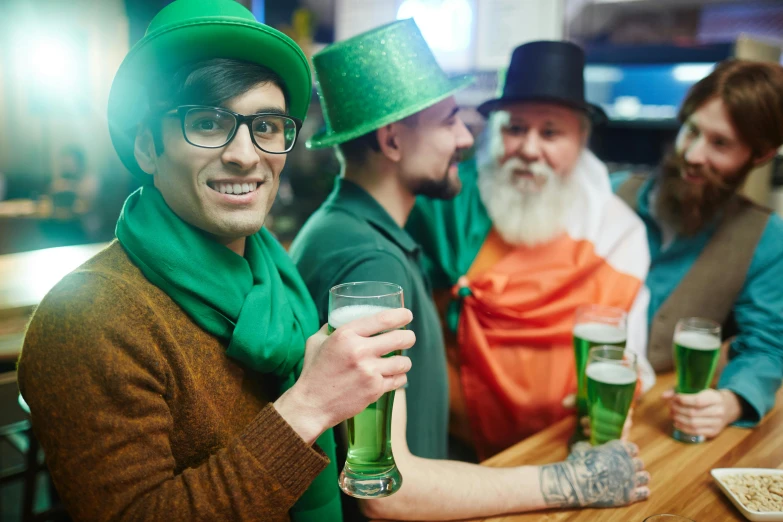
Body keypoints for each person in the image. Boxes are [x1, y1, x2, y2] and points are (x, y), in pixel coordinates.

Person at [16, 2, 415, 521]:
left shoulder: (277, 278)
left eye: (267, 125)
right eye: (207, 122)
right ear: (146, 148)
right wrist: (308, 406)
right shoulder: (88, 318)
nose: (246, 155)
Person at [291, 24, 650, 521]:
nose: (465, 138)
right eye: (449, 120)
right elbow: (383, 489)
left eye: (550, 131)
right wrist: (570, 481)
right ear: (392, 140)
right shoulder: (371, 265)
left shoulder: (355, 231)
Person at [407, 40, 654, 462]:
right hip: (444, 448)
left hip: (558, 450)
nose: (528, 149)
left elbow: (628, 356)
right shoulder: (442, 204)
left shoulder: (617, 234)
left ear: (581, 139)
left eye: (551, 132)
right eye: (515, 128)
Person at [612, 59, 783, 439]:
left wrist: (730, 401)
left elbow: (767, 348)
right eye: (691, 131)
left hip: (660, 419)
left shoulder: (766, 238)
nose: (692, 154)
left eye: (720, 144)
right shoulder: (611, 194)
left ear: (760, 156)